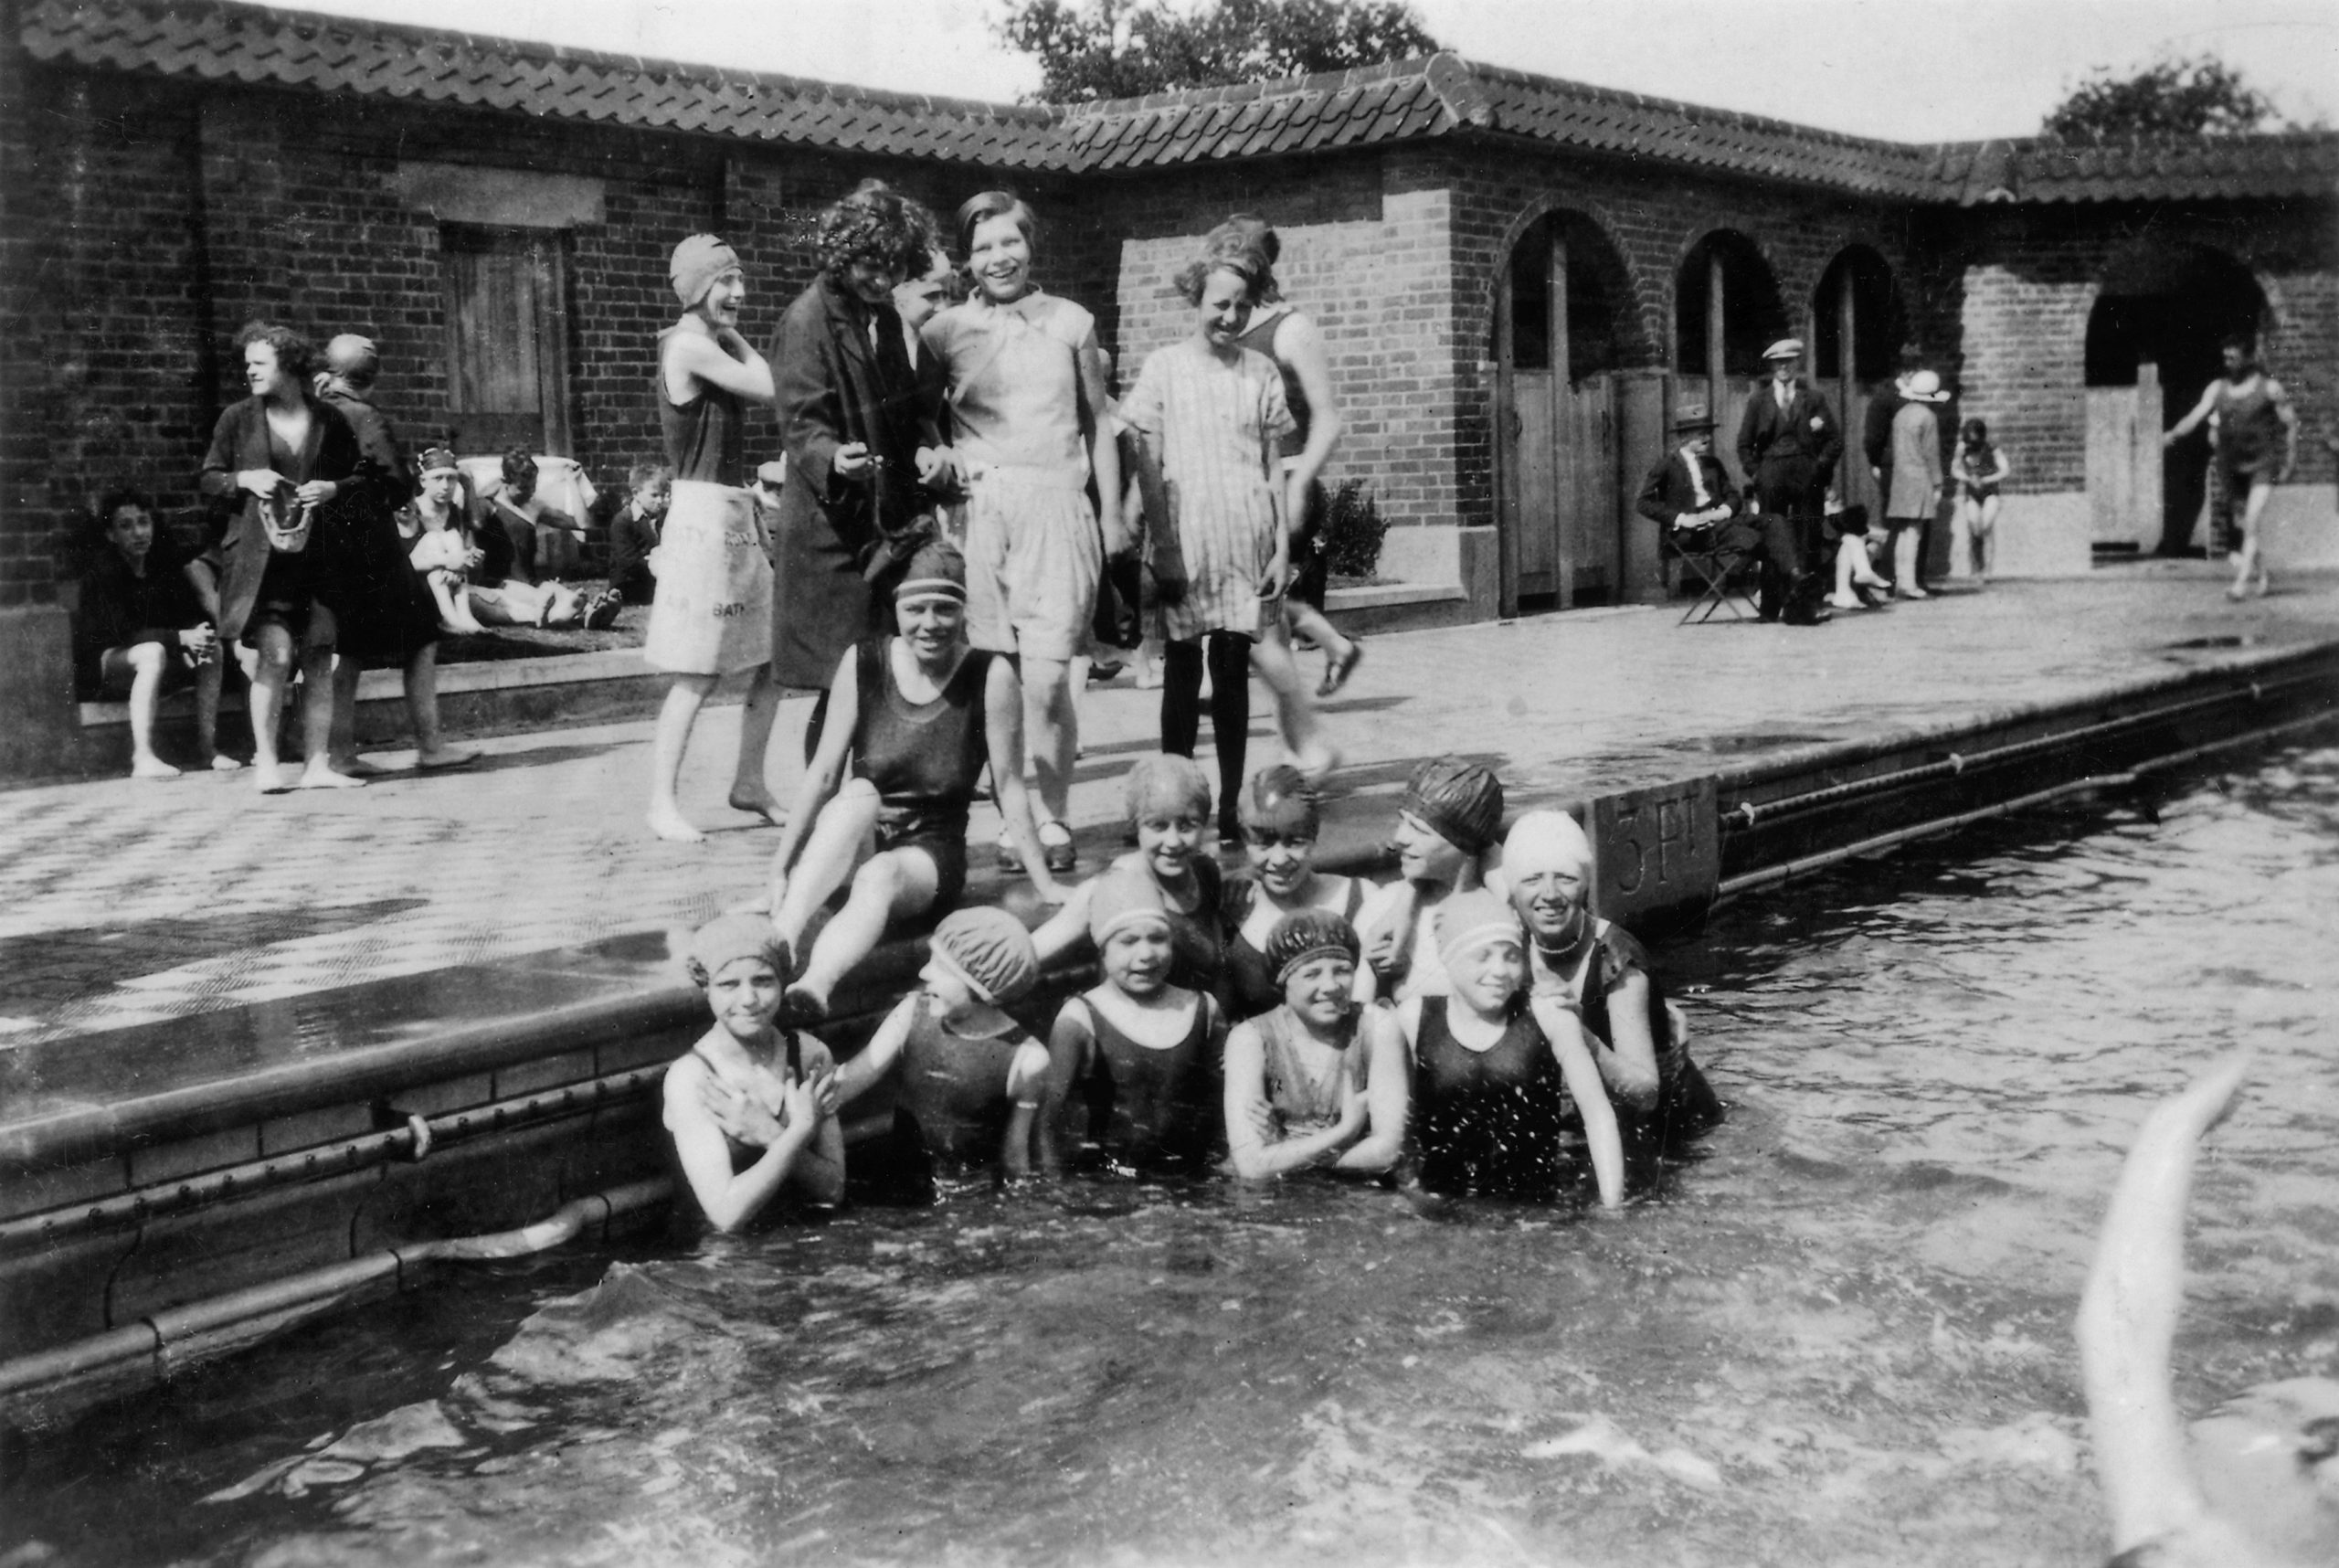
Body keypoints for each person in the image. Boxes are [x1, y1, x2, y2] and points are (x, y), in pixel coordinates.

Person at [764, 541, 1068, 1017]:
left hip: (927, 861)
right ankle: (783, 935)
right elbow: (824, 773)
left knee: (879, 875)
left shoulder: (990, 675)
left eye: (945, 609)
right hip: (853, 845)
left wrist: (1045, 884)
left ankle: (815, 986)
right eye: (916, 609)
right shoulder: (863, 661)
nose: (930, 623)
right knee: (858, 791)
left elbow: (1009, 786)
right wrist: (780, 867)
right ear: (896, 609)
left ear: (964, 609)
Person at [922, 191, 1122, 875]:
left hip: (1056, 510)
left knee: (1046, 681)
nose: (997, 258)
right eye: (981, 248)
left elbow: (1099, 426)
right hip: (977, 512)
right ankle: (1013, 821)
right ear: (965, 259)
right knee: (990, 679)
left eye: (1009, 242)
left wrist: (1115, 514)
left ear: (1031, 245)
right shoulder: (943, 331)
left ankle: (1054, 815)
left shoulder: (1070, 322)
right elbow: (921, 423)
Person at [2079, 1052, 2339, 1567]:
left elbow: (2117, 1333)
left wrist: (2173, 1127)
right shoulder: (2175, 1536)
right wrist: (2173, 1125)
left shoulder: (2174, 1536)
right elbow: (2114, 1335)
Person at [1122, 243, 1337, 842]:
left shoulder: (1260, 372)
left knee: (1234, 670)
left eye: (1242, 307)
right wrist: (1162, 546)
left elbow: (1274, 465)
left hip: (1246, 538)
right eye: (1220, 304)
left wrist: (1280, 549)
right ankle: (1173, 799)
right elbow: (1149, 460)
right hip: (1186, 540)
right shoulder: (1164, 366)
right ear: (1196, 300)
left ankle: (1226, 808)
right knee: (1183, 673)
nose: (1230, 317)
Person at [771, 182, 948, 771]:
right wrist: (831, 457)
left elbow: (904, 411)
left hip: (883, 528)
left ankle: (872, 797)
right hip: (833, 534)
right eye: (872, 264)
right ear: (842, 256)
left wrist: (926, 449)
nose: (883, 278)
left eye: (895, 265)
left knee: (877, 674)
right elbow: (800, 418)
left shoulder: (884, 319)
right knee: (836, 682)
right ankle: (822, 809)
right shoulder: (807, 320)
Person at [643, 232, 786, 842]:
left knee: (774, 658)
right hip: (704, 519)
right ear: (697, 287)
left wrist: (726, 330)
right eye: (726, 281)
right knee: (698, 672)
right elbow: (771, 386)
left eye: (739, 279)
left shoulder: (706, 340)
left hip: (731, 511)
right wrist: (731, 336)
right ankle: (661, 802)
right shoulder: (688, 346)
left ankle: (749, 782)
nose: (739, 292)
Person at [198, 321, 382, 794]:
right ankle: (268, 762)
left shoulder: (330, 420)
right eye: (247, 365)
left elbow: (364, 480)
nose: (250, 372)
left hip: (319, 557)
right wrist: (244, 480)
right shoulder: (237, 419)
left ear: (289, 366)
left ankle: (318, 764)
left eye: (260, 364)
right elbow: (208, 479)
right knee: (275, 657)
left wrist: (333, 488)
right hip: (261, 563)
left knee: (321, 659)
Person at [1498, 810, 1722, 1153]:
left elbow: (1645, 1093)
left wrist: (1581, 1035)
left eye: (1566, 878)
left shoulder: (1617, 959)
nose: (1550, 894)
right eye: (1532, 880)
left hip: (1670, 1133)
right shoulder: (1508, 949)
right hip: (1596, 1126)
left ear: (1585, 883)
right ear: (1513, 891)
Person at [1208, 214, 1364, 699]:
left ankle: (1283, 723)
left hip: (1288, 480)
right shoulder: (1225, 326)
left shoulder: (1290, 328)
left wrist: (1300, 485)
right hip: (1240, 487)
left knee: (1252, 600)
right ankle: (1333, 649)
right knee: (1250, 600)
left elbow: (1328, 418)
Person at [312, 334, 482, 775]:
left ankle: (342, 754)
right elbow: (393, 484)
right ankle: (430, 746)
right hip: (373, 550)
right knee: (422, 639)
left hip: (330, 547)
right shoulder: (365, 416)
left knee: (346, 651)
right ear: (371, 375)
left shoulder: (313, 410)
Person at [1397, 890, 1622, 1206]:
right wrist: (1410, 1195)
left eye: (1511, 955)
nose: (1500, 970)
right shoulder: (1414, 1019)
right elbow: (1396, 1127)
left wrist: (1613, 1205)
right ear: (1447, 957)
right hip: (1441, 1204)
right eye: (1483, 956)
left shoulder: (1548, 1015)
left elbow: (1598, 1115)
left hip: (1534, 1206)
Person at [832, 906, 1053, 1179]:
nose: (924, 972)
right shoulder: (912, 1012)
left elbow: (1016, 1156)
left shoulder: (1026, 1059)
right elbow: (857, 1075)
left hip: (973, 1198)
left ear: (980, 987)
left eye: (940, 966)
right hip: (906, 1183)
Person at [661, 914, 845, 1234]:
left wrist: (772, 1134)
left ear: (782, 982)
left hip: (805, 1239)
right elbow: (725, 1214)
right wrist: (796, 1134)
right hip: (722, 1258)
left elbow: (833, 1189)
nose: (748, 1000)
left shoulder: (809, 1055)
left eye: (762, 981)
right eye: (729, 985)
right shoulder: (692, 1078)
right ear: (706, 988)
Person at [1038, 867, 1226, 1177]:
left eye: (1157, 938)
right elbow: (1049, 1121)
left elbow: (1225, 1105)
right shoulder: (1080, 1018)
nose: (1146, 954)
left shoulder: (1203, 1009)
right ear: (1102, 949)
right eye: (1128, 941)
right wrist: (1056, 1191)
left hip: (1190, 1179)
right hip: (1108, 1184)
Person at [1222, 910, 1407, 1181]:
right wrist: (1344, 1132)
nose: (1331, 986)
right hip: (1276, 1199)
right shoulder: (1250, 1039)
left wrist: (1282, 1153)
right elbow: (1251, 1164)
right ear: (1282, 981)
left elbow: (1387, 1152)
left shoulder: (1376, 1027)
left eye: (1342, 971)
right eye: (1312, 974)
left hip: (1359, 1191)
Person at [1032, 753, 1228, 997]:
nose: (1173, 841)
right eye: (1158, 825)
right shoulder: (1114, 886)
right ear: (1135, 826)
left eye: (1187, 825)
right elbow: (1036, 949)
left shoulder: (1204, 872)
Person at [73, 489, 237, 778]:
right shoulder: (103, 573)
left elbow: (187, 612)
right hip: (109, 665)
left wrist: (197, 630)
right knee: (153, 653)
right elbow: (122, 632)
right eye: (126, 526)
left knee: (212, 649)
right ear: (111, 535)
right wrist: (180, 638)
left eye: (143, 522)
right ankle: (143, 756)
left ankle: (207, 748)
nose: (138, 533)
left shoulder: (162, 567)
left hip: (160, 658)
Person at [1637, 398, 1839, 619]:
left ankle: (1795, 577)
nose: (1707, 437)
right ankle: (1787, 593)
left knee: (1775, 522)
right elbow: (1644, 503)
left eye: (1708, 432)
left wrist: (1722, 511)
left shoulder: (1713, 464)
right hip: (1692, 532)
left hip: (1721, 522)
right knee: (1764, 538)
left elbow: (1733, 497)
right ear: (1684, 437)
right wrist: (1682, 518)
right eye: (1699, 433)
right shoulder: (1667, 465)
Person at [1218, 765, 1378, 1022]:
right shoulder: (1233, 906)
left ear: (1314, 837)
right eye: (1264, 843)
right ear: (1245, 842)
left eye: (1295, 842)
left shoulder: (1361, 898)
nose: (1280, 859)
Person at [1357, 755, 1507, 1004]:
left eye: (1419, 829)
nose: (1399, 837)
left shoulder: (1505, 908)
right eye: (1402, 820)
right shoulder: (1381, 910)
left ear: (1461, 844)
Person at [2164, 335, 2299, 601]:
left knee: (2251, 521)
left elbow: (2291, 423)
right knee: (2244, 524)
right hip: (2231, 465)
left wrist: (2290, 461)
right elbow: (2195, 415)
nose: (2229, 363)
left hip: (2263, 462)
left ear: (2248, 358)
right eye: (2226, 358)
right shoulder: (2217, 389)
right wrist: (2173, 434)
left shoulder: (2269, 389)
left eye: (2234, 357)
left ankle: (2240, 584)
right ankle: (2262, 574)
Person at [404, 448, 588, 631]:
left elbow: (463, 552)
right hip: (423, 586)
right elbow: (402, 561)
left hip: (454, 583)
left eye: (452, 478)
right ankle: (551, 615)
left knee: (503, 597)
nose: (445, 486)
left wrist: (467, 559)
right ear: (423, 481)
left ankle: (570, 613)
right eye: (438, 478)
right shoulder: (410, 511)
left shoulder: (453, 512)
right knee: (485, 597)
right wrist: (449, 562)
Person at [1732, 337, 1837, 624]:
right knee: (1773, 538)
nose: (1783, 368)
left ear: (1797, 365)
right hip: (1772, 475)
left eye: (1788, 363)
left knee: (1809, 539)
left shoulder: (1813, 398)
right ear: (1772, 367)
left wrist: (1818, 467)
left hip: (1807, 476)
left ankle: (1806, 607)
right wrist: (1757, 473)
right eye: (1778, 364)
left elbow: (1834, 441)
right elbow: (1743, 444)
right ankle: (1770, 607)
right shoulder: (1759, 400)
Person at [1882, 368, 1949, 599]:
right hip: (1919, 477)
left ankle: (1901, 580)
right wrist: (1938, 483)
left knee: (1903, 529)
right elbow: (1931, 454)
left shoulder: (1901, 414)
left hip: (1901, 476)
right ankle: (1909, 583)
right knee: (1915, 531)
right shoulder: (1928, 417)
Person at [1950, 418, 2009, 584]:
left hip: (1990, 491)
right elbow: (1954, 470)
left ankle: (1987, 569)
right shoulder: (1962, 448)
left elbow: (2005, 470)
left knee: (1986, 525)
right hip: (1972, 492)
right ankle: (1976, 567)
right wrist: (1968, 478)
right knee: (1974, 525)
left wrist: (1987, 479)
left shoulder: (1991, 447)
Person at [607, 461, 671, 605]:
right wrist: (655, 563)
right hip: (629, 583)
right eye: (654, 496)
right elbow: (628, 561)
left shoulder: (662, 518)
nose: (659, 501)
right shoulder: (624, 521)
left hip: (654, 578)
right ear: (636, 494)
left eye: (662, 495)